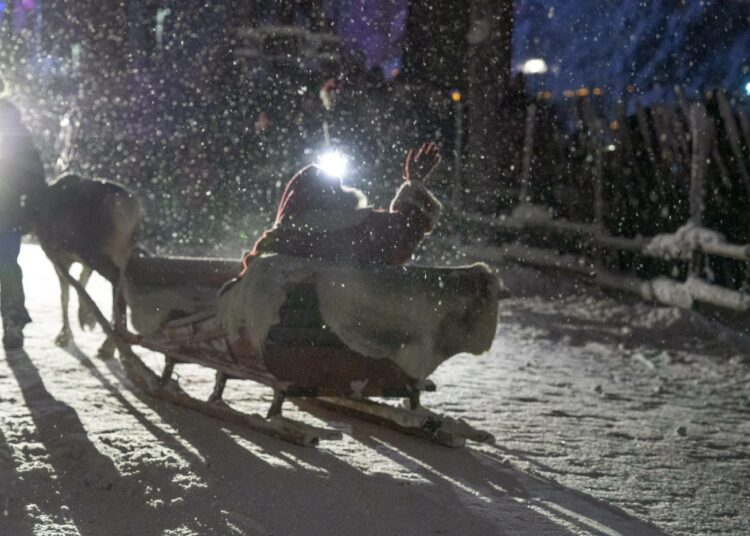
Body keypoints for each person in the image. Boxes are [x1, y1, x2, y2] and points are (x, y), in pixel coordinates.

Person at [239, 142, 443, 274]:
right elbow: (407, 230)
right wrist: (414, 181)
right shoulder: (356, 231)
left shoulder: (272, 244)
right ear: (337, 198)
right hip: (349, 331)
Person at [0, 84, 46, 350]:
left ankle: (13, 319)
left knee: (5, 267)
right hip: (7, 212)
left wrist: (30, 210)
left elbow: (31, 173)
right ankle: (13, 317)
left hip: (5, 213)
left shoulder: (10, 123)